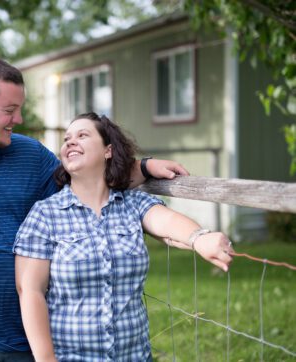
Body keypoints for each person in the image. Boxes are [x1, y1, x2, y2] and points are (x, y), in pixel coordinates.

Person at [0, 55, 189, 361]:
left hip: (25, 341)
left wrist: (144, 167)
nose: (19, 120)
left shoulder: (29, 155)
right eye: (9, 110)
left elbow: (89, 178)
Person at [14, 112, 234, 362]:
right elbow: (30, 290)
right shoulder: (45, 214)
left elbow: (166, 221)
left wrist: (200, 238)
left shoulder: (133, 204)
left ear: (108, 151)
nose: (70, 142)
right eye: (67, 139)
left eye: (82, 135)